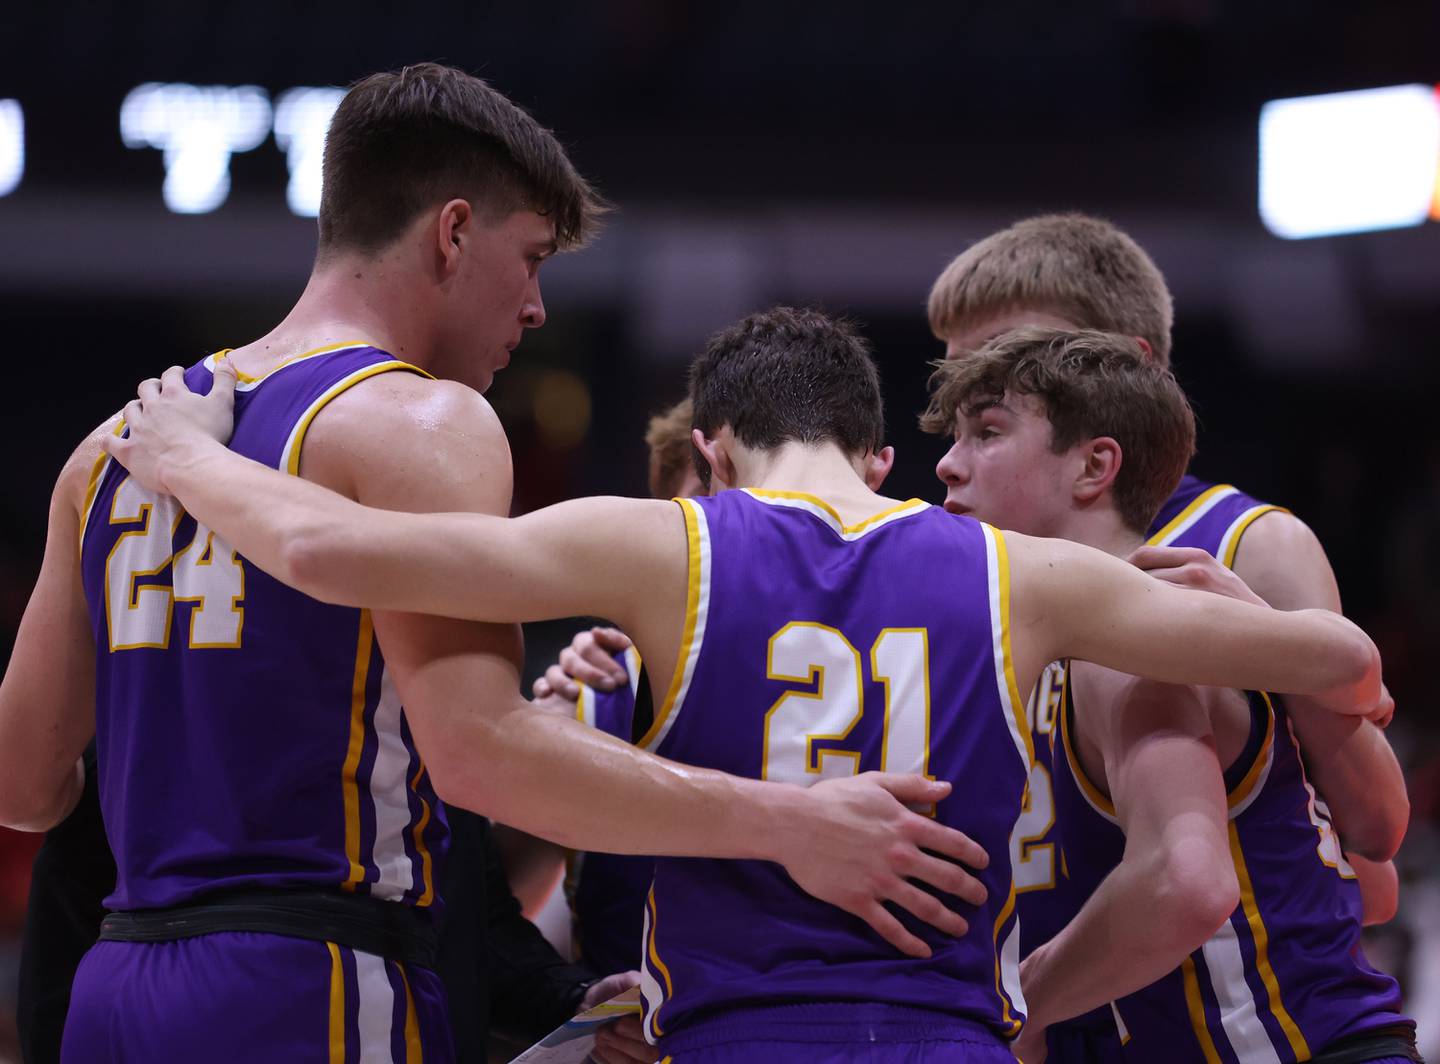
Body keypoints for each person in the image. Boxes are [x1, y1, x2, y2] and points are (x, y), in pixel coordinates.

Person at [0, 66, 984, 1064]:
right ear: (453, 231)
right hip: (314, 978)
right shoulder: (421, 421)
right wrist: (792, 822)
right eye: (533, 257)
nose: (538, 306)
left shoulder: (115, 446)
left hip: (117, 986)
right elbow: (481, 755)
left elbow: (24, 782)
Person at [103, 305, 1386, 1061]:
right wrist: (1220, 603)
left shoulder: (662, 541)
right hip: (949, 1038)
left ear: (709, 448)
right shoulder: (1027, 576)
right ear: (876, 450)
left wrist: (187, 457)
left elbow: (329, 549)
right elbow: (1342, 661)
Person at [926, 213, 1409, 1059]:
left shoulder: (1245, 544)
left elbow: (1370, 856)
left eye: (1004, 364)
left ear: (1121, 369)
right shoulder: (1001, 577)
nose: (977, 393)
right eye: (963, 377)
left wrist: (1303, 667)